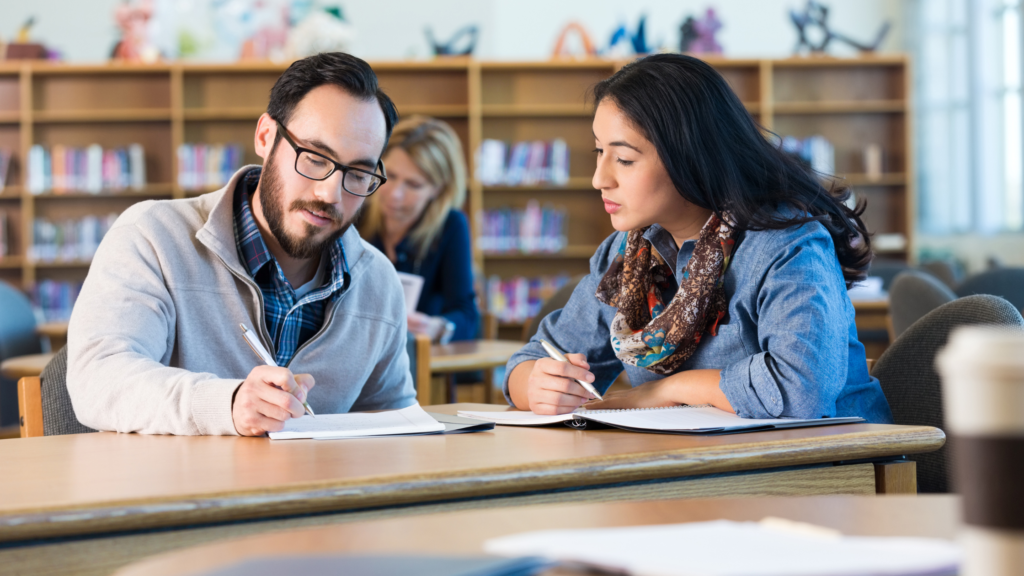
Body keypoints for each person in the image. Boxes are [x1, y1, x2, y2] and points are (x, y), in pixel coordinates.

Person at [505, 54, 893, 424]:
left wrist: (664, 392)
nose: (599, 178)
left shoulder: (787, 244)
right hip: (703, 470)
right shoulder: (627, 257)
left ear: (689, 156)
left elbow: (799, 391)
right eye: (598, 152)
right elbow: (530, 359)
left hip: (833, 469)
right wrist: (537, 384)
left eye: (623, 159)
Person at [67, 52, 416, 436]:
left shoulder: (377, 282)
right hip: (179, 492)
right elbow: (98, 379)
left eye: (359, 173)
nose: (330, 194)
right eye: (316, 158)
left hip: (317, 494)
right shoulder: (153, 236)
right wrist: (227, 404)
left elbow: (392, 423)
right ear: (266, 137)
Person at [359, 116, 479, 344]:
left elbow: (465, 313)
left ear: (438, 189)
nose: (395, 194)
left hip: (420, 361)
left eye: (413, 184)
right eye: (390, 176)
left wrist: (437, 327)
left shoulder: (451, 225)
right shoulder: (356, 214)